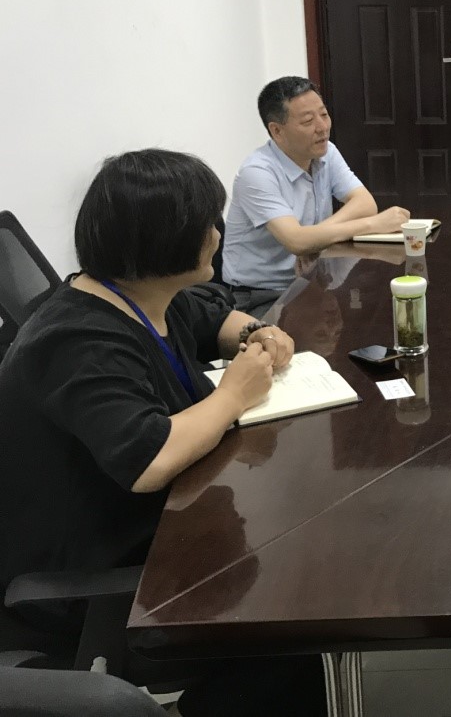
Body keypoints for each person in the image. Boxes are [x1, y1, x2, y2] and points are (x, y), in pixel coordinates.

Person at [0, 149, 325, 716]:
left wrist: (258, 333)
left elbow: (213, 319)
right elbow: (148, 459)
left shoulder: (144, 297)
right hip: (92, 579)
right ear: (164, 240)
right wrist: (233, 395)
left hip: (172, 524)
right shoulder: (76, 340)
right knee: (291, 619)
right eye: (208, 223)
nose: (219, 234)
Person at [222, 76, 409, 316]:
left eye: (324, 114)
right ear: (277, 131)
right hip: (261, 295)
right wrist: (375, 224)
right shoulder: (257, 173)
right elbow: (296, 241)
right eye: (308, 121)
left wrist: (314, 238)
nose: (322, 127)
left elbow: (364, 203)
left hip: (311, 281)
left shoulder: (326, 152)